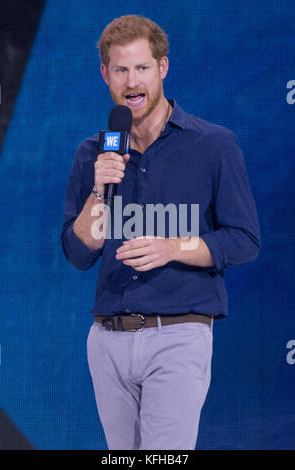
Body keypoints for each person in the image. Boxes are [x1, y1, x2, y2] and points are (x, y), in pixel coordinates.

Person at [61, 15, 260, 450]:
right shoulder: (94, 153)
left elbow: (244, 238)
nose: (133, 81)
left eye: (142, 68)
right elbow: (79, 253)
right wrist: (99, 189)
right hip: (108, 338)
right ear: (106, 76)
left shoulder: (213, 145)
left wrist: (173, 247)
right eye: (121, 70)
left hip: (179, 334)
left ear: (162, 68)